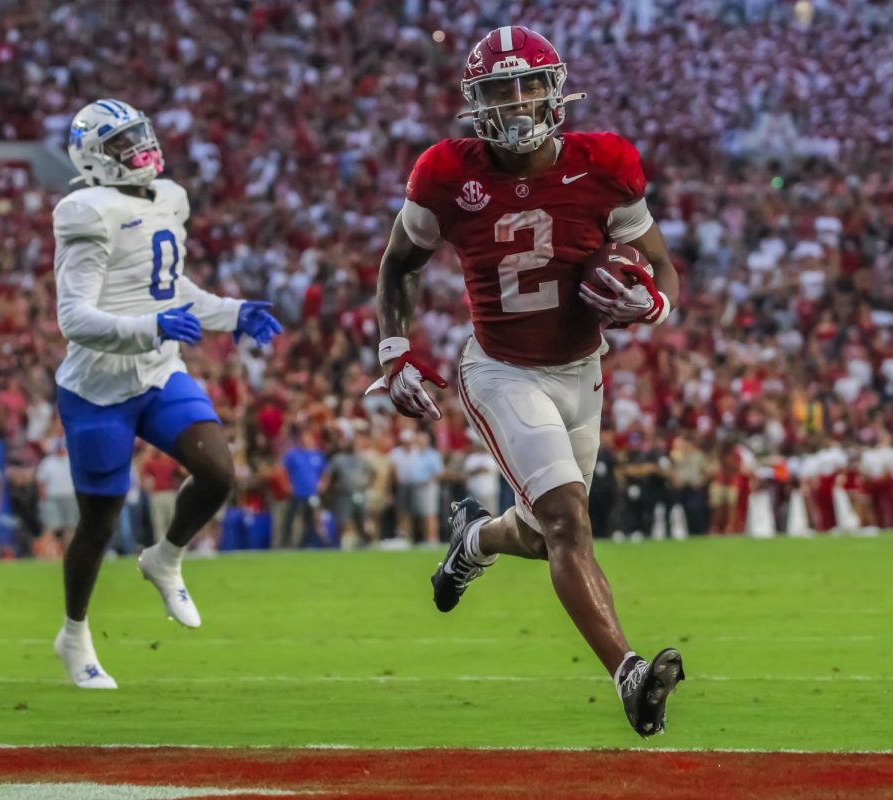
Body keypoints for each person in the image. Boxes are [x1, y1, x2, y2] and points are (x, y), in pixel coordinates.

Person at [370, 27, 683, 736]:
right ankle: (629, 675)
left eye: (527, 85)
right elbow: (397, 264)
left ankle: (473, 542)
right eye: (499, 90)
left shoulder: (606, 164)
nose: (516, 103)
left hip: (583, 369)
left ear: (556, 90)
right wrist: (394, 355)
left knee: (545, 535)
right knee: (571, 520)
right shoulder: (447, 174)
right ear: (473, 104)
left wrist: (655, 306)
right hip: (502, 370)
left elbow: (660, 265)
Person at [50, 99, 282, 689]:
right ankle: (74, 634)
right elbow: (74, 317)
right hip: (98, 387)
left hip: (157, 373)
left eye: (138, 137)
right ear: (95, 160)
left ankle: (165, 556)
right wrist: (149, 327)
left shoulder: (169, 198)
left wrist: (231, 313)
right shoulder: (86, 210)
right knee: (99, 522)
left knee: (218, 472)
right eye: (122, 145)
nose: (138, 151)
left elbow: (170, 287)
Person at [390, 431, 445, 545]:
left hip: (428, 486)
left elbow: (439, 473)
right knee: (418, 514)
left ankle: (432, 539)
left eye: (421, 440)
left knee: (429, 514)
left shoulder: (432, 454)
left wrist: (428, 480)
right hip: (415, 487)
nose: (419, 442)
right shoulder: (416, 454)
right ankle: (421, 539)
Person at [281, 430, 327, 547]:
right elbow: (283, 470)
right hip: (296, 492)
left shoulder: (317, 455)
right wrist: (286, 484)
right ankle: (285, 543)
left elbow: (325, 472)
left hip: (311, 493)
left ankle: (304, 544)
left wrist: (322, 484)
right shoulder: (294, 454)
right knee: (289, 519)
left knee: (310, 521)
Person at [36, 438, 78, 553]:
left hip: (70, 497)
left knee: (70, 527)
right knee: (51, 527)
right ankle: (46, 553)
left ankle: (68, 553)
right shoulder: (47, 462)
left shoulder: (71, 460)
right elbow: (41, 484)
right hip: (53, 498)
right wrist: (42, 501)